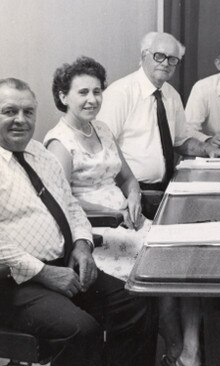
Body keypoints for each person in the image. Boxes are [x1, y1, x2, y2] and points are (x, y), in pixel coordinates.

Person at [0, 78, 156, 366]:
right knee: (81, 330)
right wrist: (43, 272)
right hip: (14, 284)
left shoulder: (40, 154)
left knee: (135, 302)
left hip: (64, 264)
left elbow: (70, 206)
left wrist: (82, 245)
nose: (20, 120)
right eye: (9, 111)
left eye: (28, 112)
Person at [96, 31, 220, 218]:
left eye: (172, 59)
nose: (165, 63)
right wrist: (129, 192)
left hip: (165, 191)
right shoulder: (120, 93)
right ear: (143, 56)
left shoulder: (171, 95)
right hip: (129, 195)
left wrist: (207, 149)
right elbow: (104, 148)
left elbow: (180, 141)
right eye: (159, 56)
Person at [44, 56, 147, 280]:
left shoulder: (102, 129)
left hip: (128, 220)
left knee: (170, 254)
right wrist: (113, 214)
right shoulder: (59, 142)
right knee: (156, 263)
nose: (92, 99)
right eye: (83, 93)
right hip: (96, 228)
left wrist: (134, 196)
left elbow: (127, 177)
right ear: (63, 96)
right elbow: (61, 199)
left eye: (97, 92)